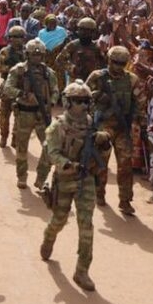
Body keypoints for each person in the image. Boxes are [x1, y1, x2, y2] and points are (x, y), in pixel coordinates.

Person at [39, 81, 108, 292]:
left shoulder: (92, 125)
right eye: (77, 101)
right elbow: (52, 153)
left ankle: (82, 271)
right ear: (67, 102)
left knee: (86, 225)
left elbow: (103, 157)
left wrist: (104, 142)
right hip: (64, 179)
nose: (82, 105)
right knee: (59, 220)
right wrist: (67, 164)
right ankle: (48, 239)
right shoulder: (57, 126)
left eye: (85, 101)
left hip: (85, 180)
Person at [85, 45, 145, 215]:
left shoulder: (132, 79)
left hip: (122, 126)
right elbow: (83, 97)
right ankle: (99, 193)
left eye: (122, 63)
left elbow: (140, 101)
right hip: (102, 124)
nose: (118, 66)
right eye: (115, 62)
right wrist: (96, 96)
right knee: (101, 162)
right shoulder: (97, 76)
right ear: (109, 60)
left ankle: (125, 200)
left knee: (125, 165)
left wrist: (141, 122)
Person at [3, 39, 59, 189]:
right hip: (24, 115)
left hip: (42, 116)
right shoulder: (19, 70)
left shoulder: (48, 72)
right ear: (27, 55)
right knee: (21, 150)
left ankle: (41, 178)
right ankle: (22, 177)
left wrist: (51, 103)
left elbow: (55, 91)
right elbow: (7, 89)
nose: (37, 58)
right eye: (34, 55)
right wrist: (23, 94)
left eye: (39, 55)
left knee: (50, 147)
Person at [0, 25, 27, 148]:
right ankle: (4, 136)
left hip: (21, 87)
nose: (17, 40)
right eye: (14, 37)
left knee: (19, 116)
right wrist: (12, 69)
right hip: (8, 86)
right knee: (4, 114)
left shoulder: (27, 52)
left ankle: (15, 138)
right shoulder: (5, 52)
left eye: (19, 37)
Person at [55, 17, 102, 83]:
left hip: (92, 81)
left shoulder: (96, 46)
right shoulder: (73, 45)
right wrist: (72, 68)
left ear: (92, 32)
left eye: (86, 30)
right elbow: (59, 60)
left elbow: (103, 62)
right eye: (81, 30)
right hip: (76, 81)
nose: (83, 33)